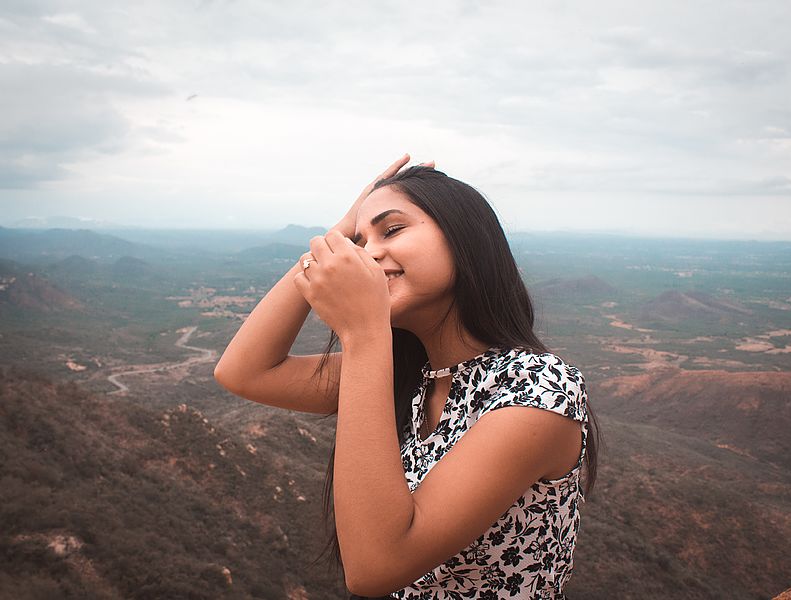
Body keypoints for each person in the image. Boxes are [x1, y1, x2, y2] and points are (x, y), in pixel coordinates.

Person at [214, 154, 600, 599]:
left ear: (464, 237)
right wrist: (338, 233)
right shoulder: (408, 374)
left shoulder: (538, 390)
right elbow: (244, 371)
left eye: (392, 229)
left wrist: (363, 331)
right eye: (361, 241)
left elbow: (374, 568)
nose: (369, 253)